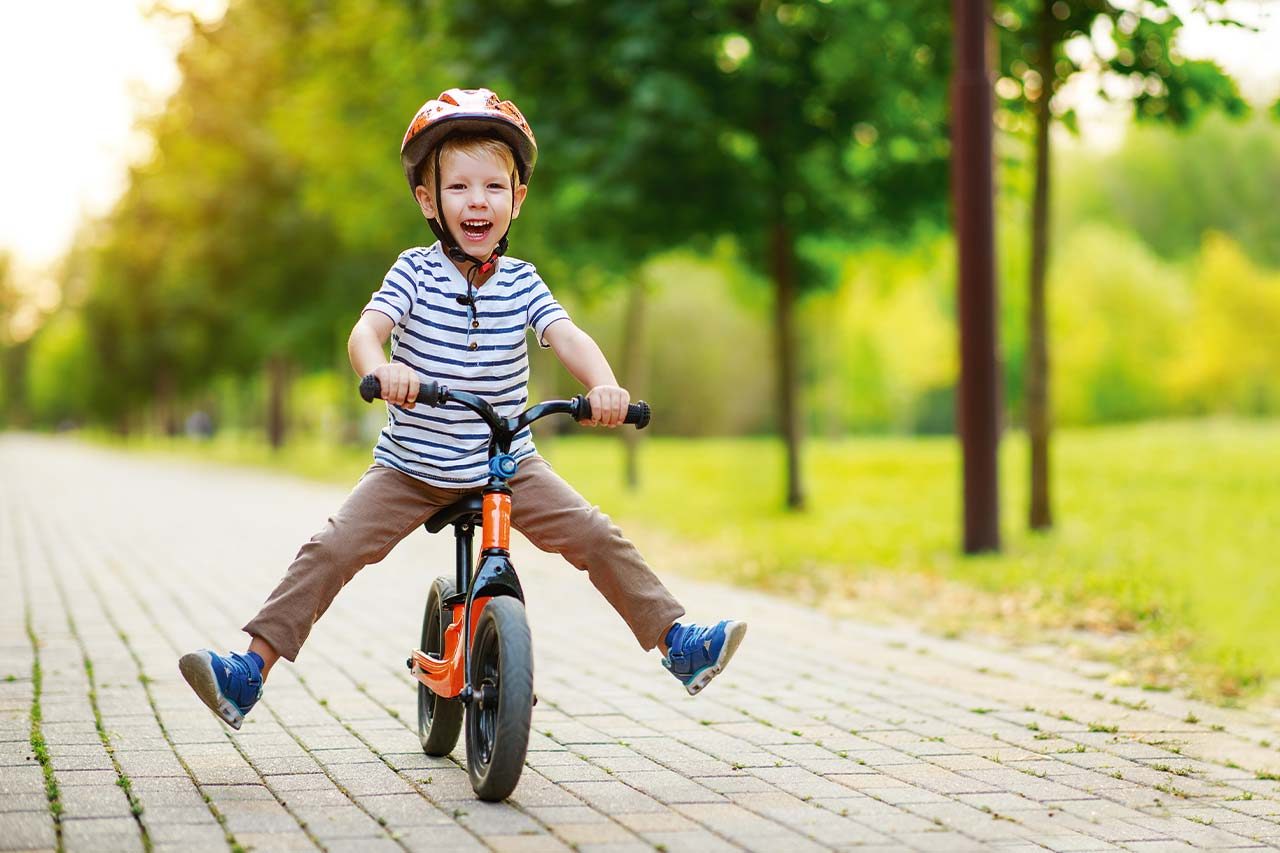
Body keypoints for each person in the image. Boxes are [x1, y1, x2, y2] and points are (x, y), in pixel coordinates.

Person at [179, 88, 747, 730]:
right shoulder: (414, 273)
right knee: (331, 548)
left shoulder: (524, 281)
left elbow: (567, 337)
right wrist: (381, 369)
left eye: (493, 187)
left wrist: (605, 385)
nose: (478, 201)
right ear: (429, 201)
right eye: (459, 188)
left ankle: (678, 644)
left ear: (517, 199)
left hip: (507, 464)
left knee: (596, 534)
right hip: (411, 467)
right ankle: (248, 671)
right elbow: (365, 333)